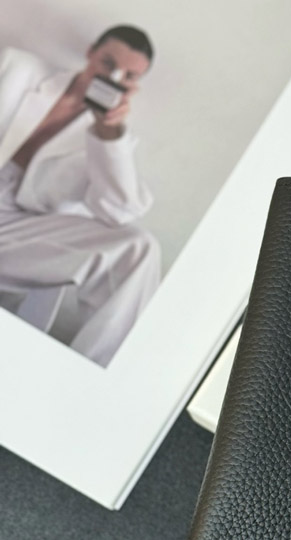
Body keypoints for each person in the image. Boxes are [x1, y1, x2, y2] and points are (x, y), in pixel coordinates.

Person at [0, 25, 160, 367]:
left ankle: (92, 377)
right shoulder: (18, 68)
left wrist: (108, 132)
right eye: (108, 63)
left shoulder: (110, 138)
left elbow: (119, 212)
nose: (113, 77)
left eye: (128, 76)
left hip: (16, 231)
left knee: (139, 248)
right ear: (91, 52)